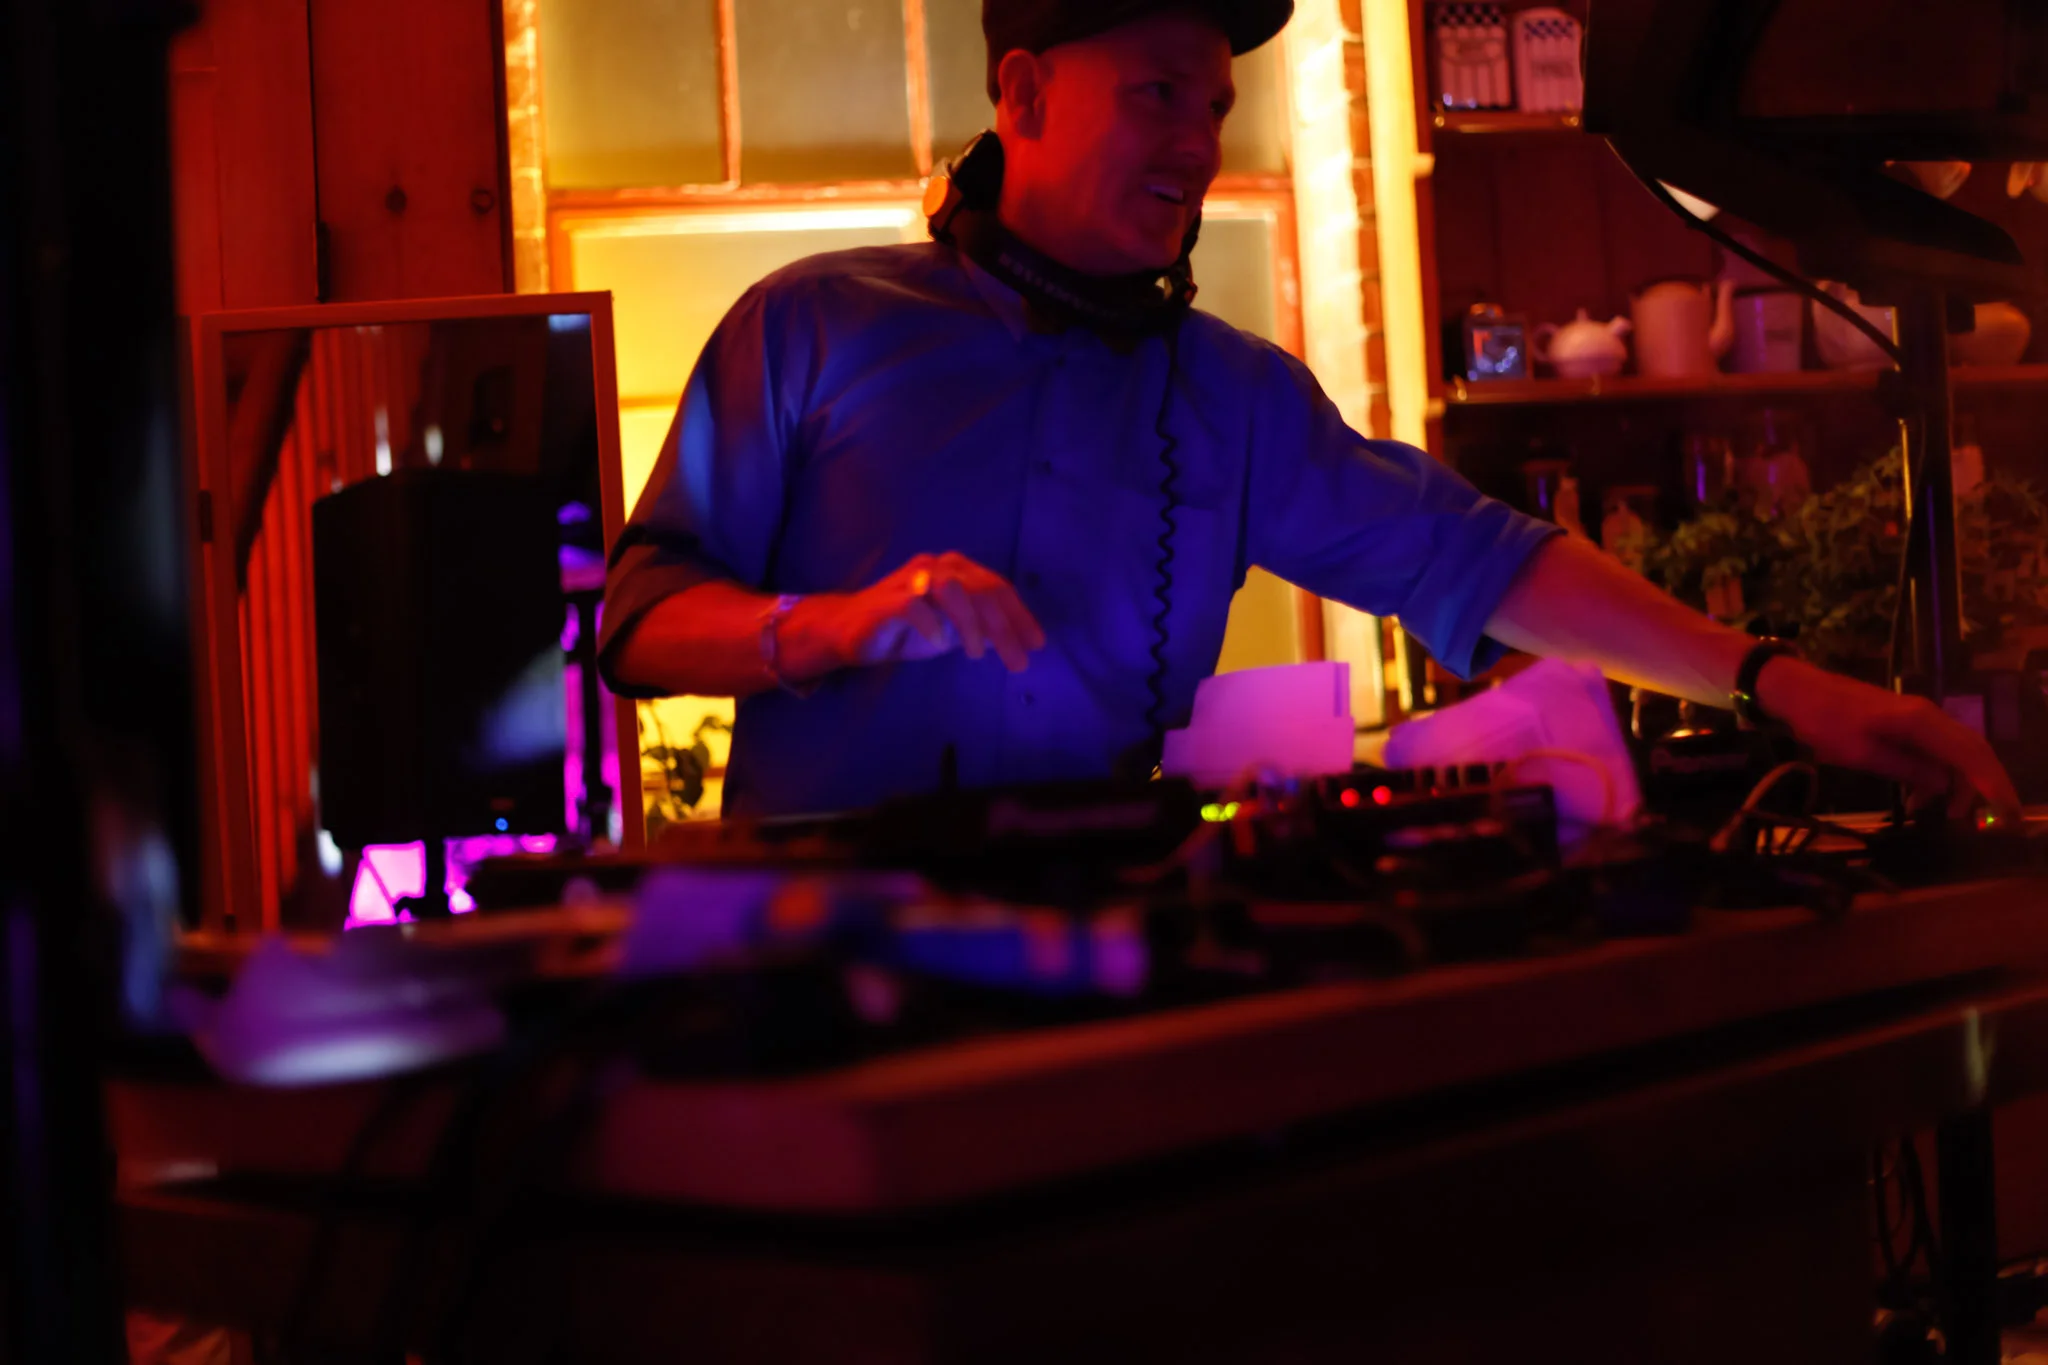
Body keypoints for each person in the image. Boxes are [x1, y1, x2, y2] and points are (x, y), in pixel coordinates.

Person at [600, 0, 2020, 824]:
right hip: (811, 973)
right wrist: (836, 626)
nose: (1196, 143)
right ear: (1022, 95)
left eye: (1214, 107)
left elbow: (1477, 559)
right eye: (1158, 93)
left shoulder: (1232, 394)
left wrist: (1785, 684)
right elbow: (638, 621)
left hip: (1103, 979)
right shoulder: (814, 322)